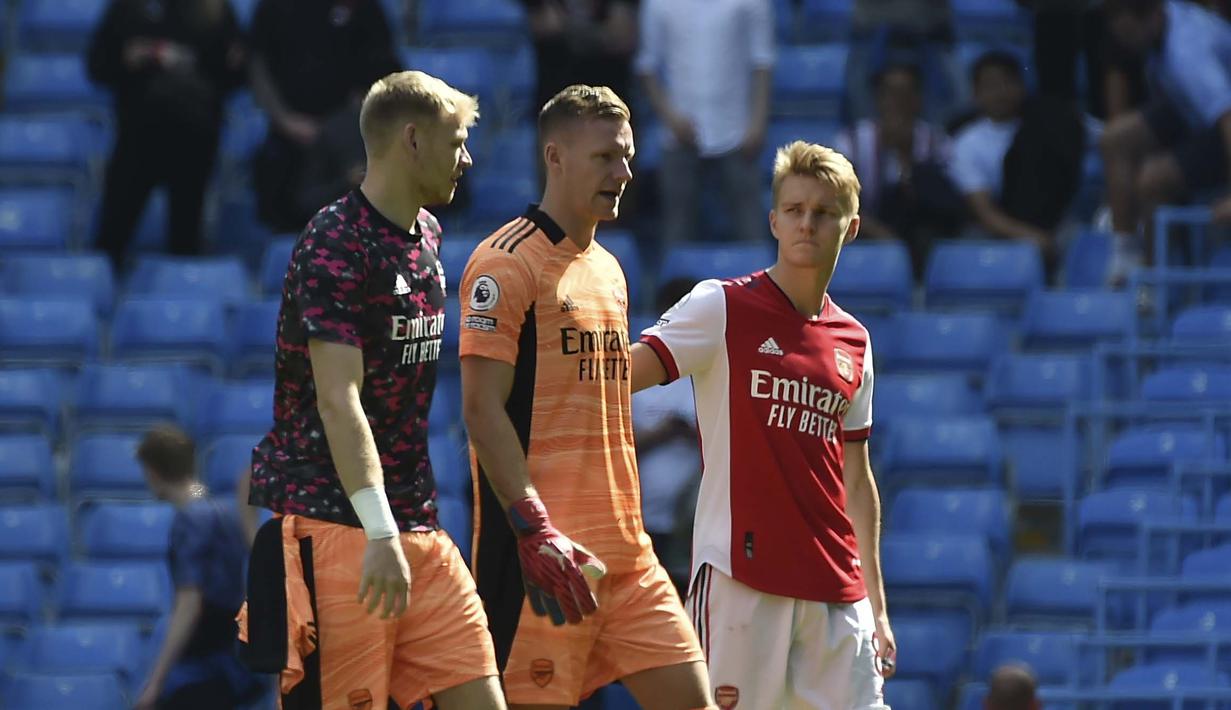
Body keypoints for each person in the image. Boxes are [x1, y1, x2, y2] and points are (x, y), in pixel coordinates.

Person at [239, 70, 506, 710]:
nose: (467, 159)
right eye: (457, 142)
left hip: (418, 528)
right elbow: (339, 399)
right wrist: (379, 532)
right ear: (411, 140)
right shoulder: (334, 240)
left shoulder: (429, 235)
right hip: (342, 529)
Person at [459, 84, 713, 710]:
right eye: (605, 157)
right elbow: (481, 409)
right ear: (555, 156)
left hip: (629, 558)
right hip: (546, 562)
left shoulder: (610, 269)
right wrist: (535, 529)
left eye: (627, 157)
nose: (623, 173)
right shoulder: (504, 262)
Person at [631, 141, 897, 709]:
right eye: (795, 210)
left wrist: (876, 604)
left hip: (837, 591)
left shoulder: (856, 341)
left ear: (850, 228)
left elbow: (856, 478)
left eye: (823, 212)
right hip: (742, 582)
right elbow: (620, 376)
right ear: (774, 220)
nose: (807, 224)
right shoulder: (721, 306)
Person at [86, 0, 245, 270]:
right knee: (113, 232)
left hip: (194, 139)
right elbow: (97, 65)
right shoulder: (129, 7)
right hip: (137, 136)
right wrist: (127, 56)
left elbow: (235, 73)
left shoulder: (214, 10)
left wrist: (197, 66)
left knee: (185, 239)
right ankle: (100, 285)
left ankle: (183, 293)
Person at [133, 425, 262, 710]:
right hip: (232, 665)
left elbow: (190, 604)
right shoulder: (226, 512)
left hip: (202, 668)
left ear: (152, 471)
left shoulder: (189, 521)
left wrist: (155, 682)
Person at [248, 0, 400, 231]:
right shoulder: (273, 7)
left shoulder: (363, 7)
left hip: (350, 135)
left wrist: (345, 123)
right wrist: (285, 120)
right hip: (289, 136)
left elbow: (383, 67)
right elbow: (258, 66)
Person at [1100, 0, 1231, 270]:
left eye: (1130, 34)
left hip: (1222, 124)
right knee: (1115, 139)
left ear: (1150, 18)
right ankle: (1124, 253)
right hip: (1190, 110)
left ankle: (1152, 277)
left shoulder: (1188, 55)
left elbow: (1228, 118)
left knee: (1152, 179)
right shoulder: (1162, 15)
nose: (1126, 42)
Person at [636, 0, 773, 244]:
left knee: (751, 233)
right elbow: (647, 67)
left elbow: (762, 62)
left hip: (738, 132)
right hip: (679, 134)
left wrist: (757, 123)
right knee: (677, 234)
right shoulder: (658, 4)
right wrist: (671, 118)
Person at [949, 50, 1085, 275]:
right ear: (975, 93)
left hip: (1050, 226)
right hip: (995, 232)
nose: (1000, 92)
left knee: (1076, 238)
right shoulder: (966, 143)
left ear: (1022, 86)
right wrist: (1032, 237)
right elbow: (985, 213)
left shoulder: (1049, 126)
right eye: (991, 85)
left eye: (1007, 82)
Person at [834, 60, 964, 276]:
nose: (898, 101)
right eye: (891, 93)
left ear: (919, 98)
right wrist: (884, 236)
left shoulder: (936, 142)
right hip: (862, 229)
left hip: (918, 233)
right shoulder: (852, 141)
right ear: (878, 98)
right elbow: (837, 203)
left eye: (907, 93)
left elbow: (948, 203)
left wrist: (906, 157)